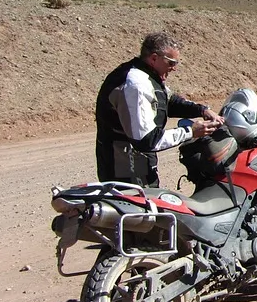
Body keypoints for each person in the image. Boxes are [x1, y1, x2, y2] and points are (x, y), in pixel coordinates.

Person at [95, 32, 223, 187]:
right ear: (154, 58)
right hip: (126, 167)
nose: (174, 68)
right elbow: (147, 140)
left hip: (135, 161)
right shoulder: (135, 85)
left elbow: (167, 101)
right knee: (141, 209)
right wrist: (190, 131)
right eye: (171, 63)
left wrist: (202, 110)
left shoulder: (145, 74)